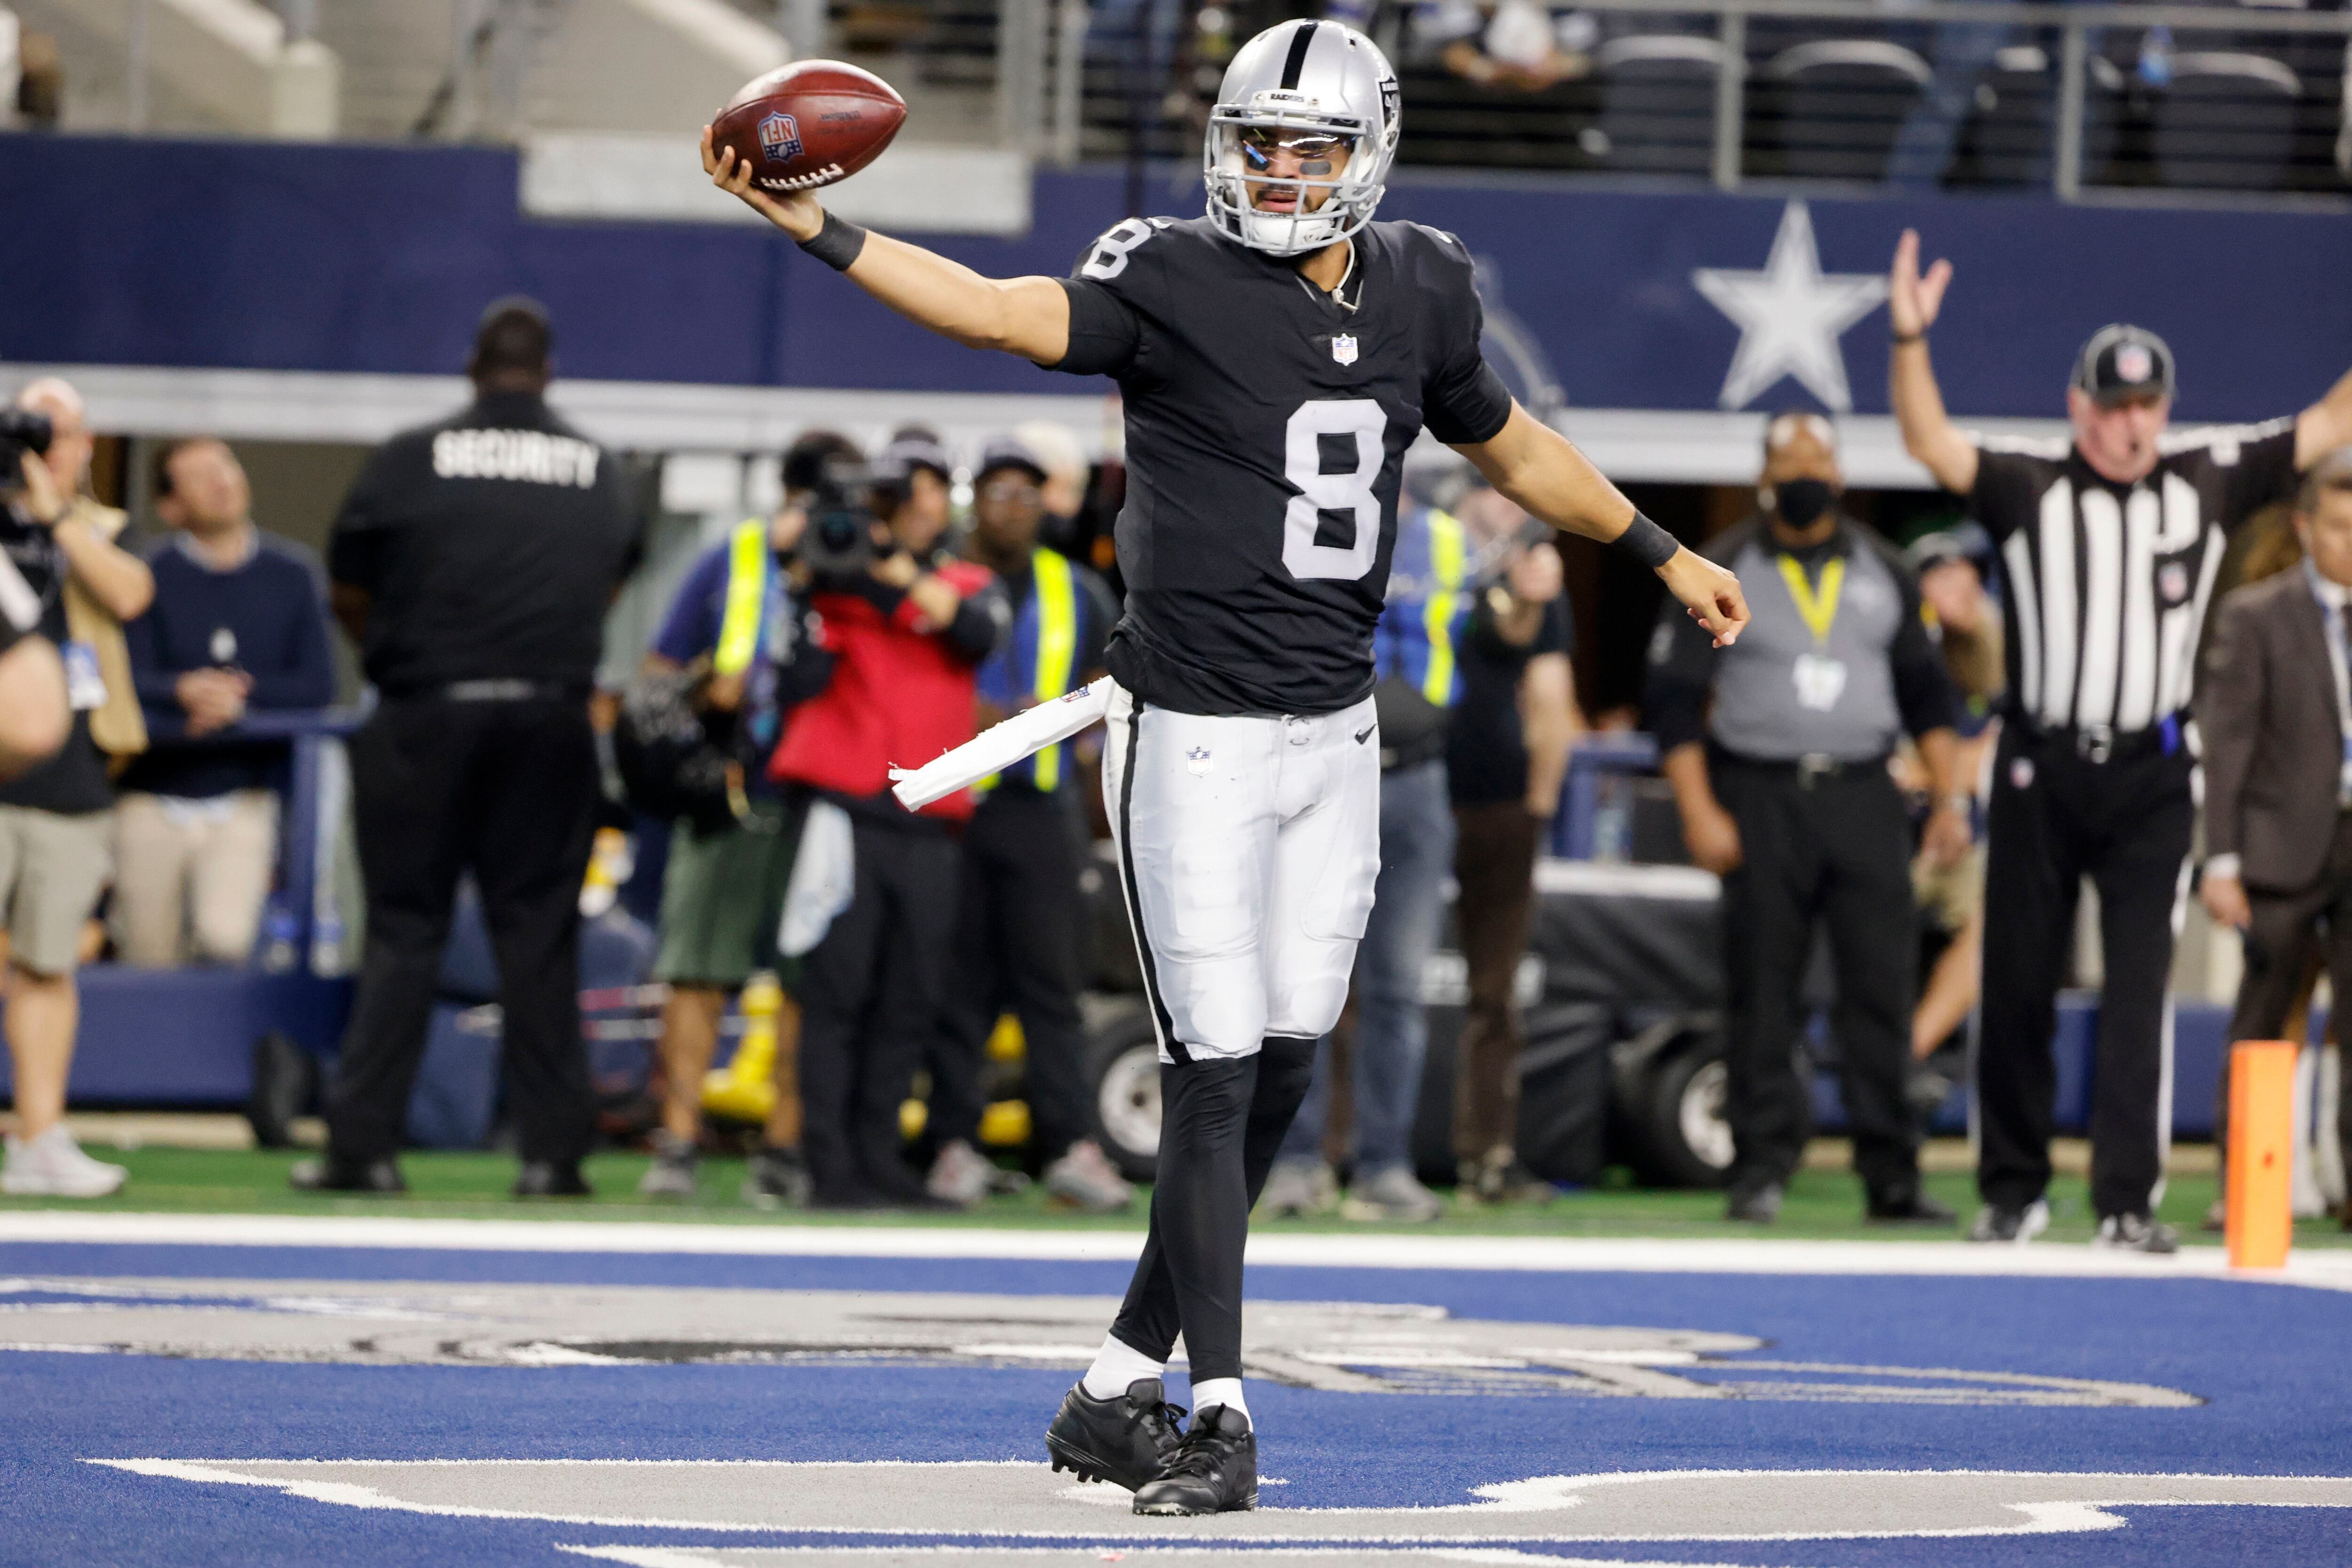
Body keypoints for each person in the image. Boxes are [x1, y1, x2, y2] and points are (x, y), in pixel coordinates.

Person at [704, 15, 1744, 1515]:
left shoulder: (1425, 286)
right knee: (1208, 1081)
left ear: (1365, 154)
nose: (1272, 171)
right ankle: (1220, 1416)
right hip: (1187, 731)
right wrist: (820, 226)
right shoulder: (1169, 274)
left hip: (1337, 733)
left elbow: (1517, 450)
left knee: (1279, 1071)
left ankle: (1111, 1392)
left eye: (1304, 149)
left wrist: (1659, 550)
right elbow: (999, 313)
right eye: (1255, 143)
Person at [1888, 229, 2352, 1251]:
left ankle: (2126, 1203)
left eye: (2146, 405)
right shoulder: (2029, 486)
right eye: (2113, 405)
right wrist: (1909, 337)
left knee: (2138, 988)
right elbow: (1929, 442)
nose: (2131, 425)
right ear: (2078, 407)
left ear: (2165, 408)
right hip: (2040, 759)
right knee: (2016, 978)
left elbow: (2326, 422)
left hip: (2151, 768)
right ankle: (2010, 1190)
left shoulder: (2208, 475)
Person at [295, 297, 641, 1197]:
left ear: (471, 366)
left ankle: (363, 1150)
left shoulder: (411, 458)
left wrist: (405, 657)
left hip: (426, 713)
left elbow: (349, 585)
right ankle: (553, 1156)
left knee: (404, 931)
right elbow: (608, 581)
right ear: (550, 371)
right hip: (549, 718)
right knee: (539, 936)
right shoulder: (597, 467)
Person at [1647, 412, 1969, 1225]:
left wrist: (1950, 804)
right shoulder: (1729, 562)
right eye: (1787, 459)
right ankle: (1759, 1166)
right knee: (1762, 992)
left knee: (1881, 989)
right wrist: (1699, 807)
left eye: (1815, 457)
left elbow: (1932, 696)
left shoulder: (1885, 569)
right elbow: (1675, 702)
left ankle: (1892, 1174)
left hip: (1866, 792)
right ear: (1764, 474)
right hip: (1760, 795)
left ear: (1839, 472)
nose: (1802, 470)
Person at [764, 446, 1005, 1209]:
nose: (922, 502)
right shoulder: (835, 585)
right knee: (836, 991)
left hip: (930, 819)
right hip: (845, 808)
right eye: (906, 491)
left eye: (933, 488)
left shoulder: (959, 580)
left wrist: (892, 568)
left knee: (910, 996)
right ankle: (828, 1165)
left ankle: (879, 1159)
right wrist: (806, 571)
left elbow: (974, 631)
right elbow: (798, 678)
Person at [1258, 481, 1489, 1223]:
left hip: (1418, 775)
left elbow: (1506, 630)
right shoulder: (1298, 525)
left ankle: (1383, 1165)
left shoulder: (1453, 538)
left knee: (1397, 984)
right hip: (1324, 768)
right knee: (1306, 979)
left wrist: (1525, 608)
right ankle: (1296, 1160)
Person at [634, 431, 852, 1206]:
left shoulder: (861, 567)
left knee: (802, 984)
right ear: (785, 498)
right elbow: (654, 678)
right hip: (729, 790)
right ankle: (678, 1140)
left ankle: (783, 1148)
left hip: (822, 799)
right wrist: (708, 685)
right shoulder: (735, 559)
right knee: (698, 972)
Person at [923, 435, 1130, 1212]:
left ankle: (1070, 1145)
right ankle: (953, 1141)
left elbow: (1113, 675)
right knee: (961, 984)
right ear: (978, 500)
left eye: (1027, 493)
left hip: (1041, 809)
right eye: (999, 492)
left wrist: (1065, 731)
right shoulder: (944, 578)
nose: (1012, 507)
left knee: (1054, 985)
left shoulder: (1074, 587)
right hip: (956, 808)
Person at [0, 378, 155, 1197]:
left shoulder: (93, 526)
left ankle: (40, 1135)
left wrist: (55, 509)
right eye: (33, 430)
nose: (46, 444)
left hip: (72, 770)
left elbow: (130, 592)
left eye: (61, 431)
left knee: (48, 960)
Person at [2197, 446, 2352, 1231]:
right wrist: (2219, 857)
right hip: (2280, 846)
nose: (2350, 542)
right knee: (2262, 1017)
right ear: (2306, 524)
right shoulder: (2256, 612)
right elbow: (2227, 744)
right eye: (2339, 526)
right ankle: (2243, 1185)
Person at [114, 437, 336, 967]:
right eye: (200, 476)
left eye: (226, 466)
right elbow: (125, 678)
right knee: (146, 956)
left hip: (244, 795)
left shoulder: (293, 573)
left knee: (225, 939)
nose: (221, 482)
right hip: (151, 795)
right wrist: (181, 691)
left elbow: (317, 686)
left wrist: (238, 700)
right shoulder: (146, 576)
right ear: (171, 506)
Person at [1446, 481, 1578, 1203]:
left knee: (1495, 989)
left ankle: (1488, 1153)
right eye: (1491, 495)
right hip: (1404, 785)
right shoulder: (1417, 562)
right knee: (1363, 981)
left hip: (1499, 803)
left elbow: (1551, 692)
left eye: (1512, 498)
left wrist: (1540, 803)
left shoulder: (1530, 578)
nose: (1505, 511)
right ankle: (1350, 1153)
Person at [1902, 525, 2003, 1094]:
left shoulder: (1983, 663)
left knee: (1997, 925)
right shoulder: (1903, 649)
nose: (1965, 589)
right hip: (1895, 837)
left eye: (1970, 579)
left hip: (1963, 840)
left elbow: (1983, 755)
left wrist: (1946, 777)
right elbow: (1905, 766)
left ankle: (1907, 1054)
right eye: (1947, 577)